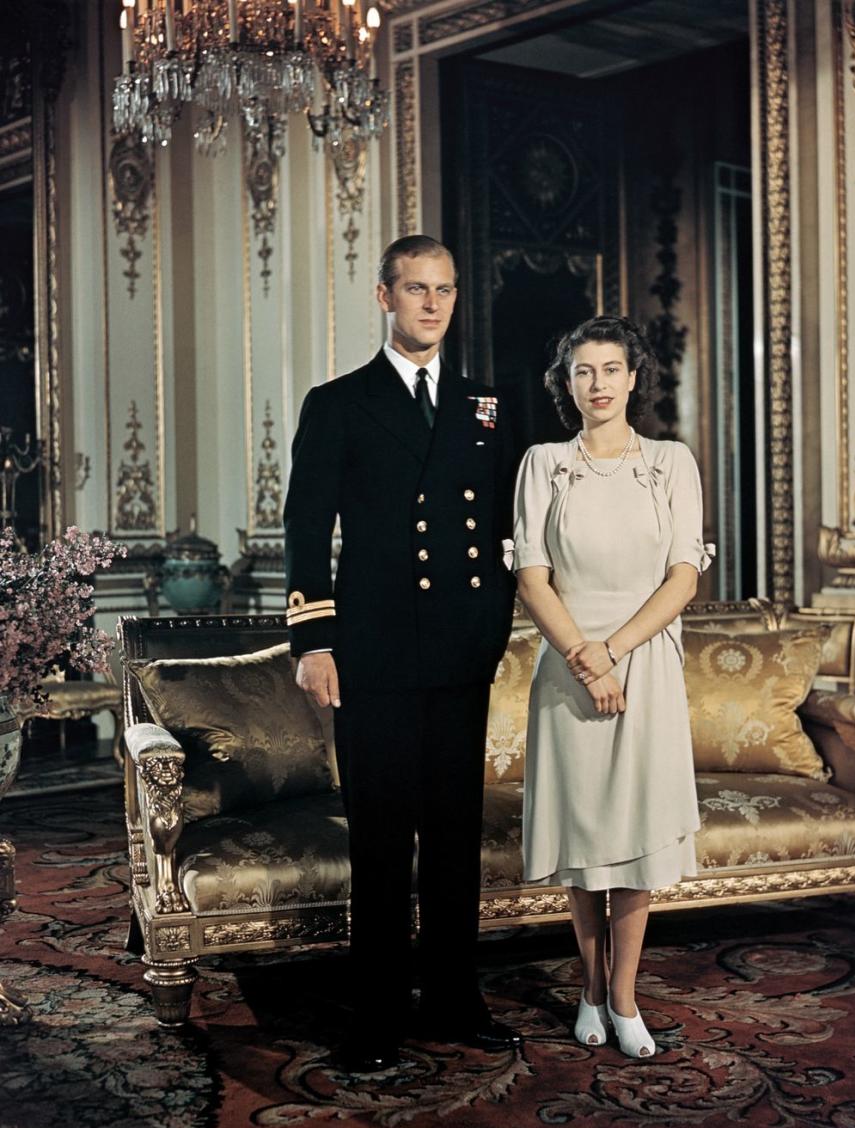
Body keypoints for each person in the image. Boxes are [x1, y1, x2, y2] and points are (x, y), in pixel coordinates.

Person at [283, 235, 523, 1073]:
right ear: (384, 297)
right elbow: (306, 528)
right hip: (374, 654)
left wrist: (494, 626)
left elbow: (500, 530)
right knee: (382, 840)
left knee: (456, 835)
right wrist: (313, 639)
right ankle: (376, 1016)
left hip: (460, 653)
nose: (432, 304)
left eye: (445, 290)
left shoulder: (486, 405)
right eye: (416, 289)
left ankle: (456, 1001)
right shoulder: (339, 402)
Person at [512, 315, 712, 1058]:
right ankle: (587, 989)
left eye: (610, 369)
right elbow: (532, 575)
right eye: (583, 371)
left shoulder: (670, 462)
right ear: (567, 384)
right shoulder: (542, 464)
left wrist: (616, 654)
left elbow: (684, 575)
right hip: (567, 669)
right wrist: (582, 658)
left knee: (633, 843)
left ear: (635, 378)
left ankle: (623, 998)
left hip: (645, 663)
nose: (597, 384)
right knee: (587, 841)